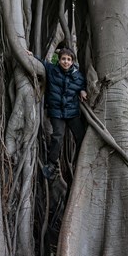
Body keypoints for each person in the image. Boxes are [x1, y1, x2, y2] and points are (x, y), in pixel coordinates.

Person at [27, 47, 87, 179]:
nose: (66, 62)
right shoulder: (51, 70)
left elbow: (83, 85)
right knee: (58, 137)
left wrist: (82, 90)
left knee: (81, 136)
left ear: (72, 62)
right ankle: (52, 164)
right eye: (63, 59)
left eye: (69, 59)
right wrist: (32, 55)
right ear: (59, 60)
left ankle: (81, 161)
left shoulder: (78, 76)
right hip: (56, 112)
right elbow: (41, 62)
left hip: (72, 112)